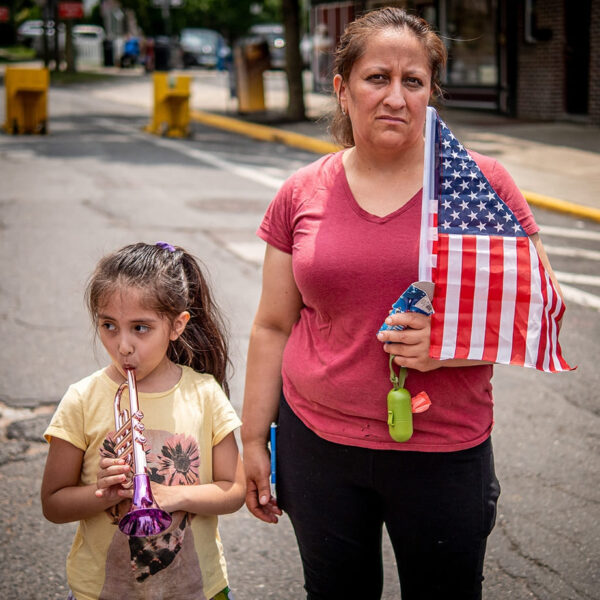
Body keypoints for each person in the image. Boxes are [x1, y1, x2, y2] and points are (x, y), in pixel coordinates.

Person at [241, 7, 564, 600]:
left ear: (431, 93)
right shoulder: (301, 192)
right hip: (318, 443)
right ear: (342, 89)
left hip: (443, 450)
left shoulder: (479, 185)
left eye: (412, 81)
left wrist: (448, 346)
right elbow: (270, 326)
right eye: (376, 78)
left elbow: (538, 306)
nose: (395, 96)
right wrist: (253, 439)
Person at [41, 242, 245, 600]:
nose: (123, 346)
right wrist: (103, 493)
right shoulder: (82, 398)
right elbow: (54, 504)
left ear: (177, 326)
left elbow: (235, 490)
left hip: (196, 589)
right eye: (109, 326)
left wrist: (171, 495)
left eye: (140, 328)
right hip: (102, 591)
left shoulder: (205, 394)